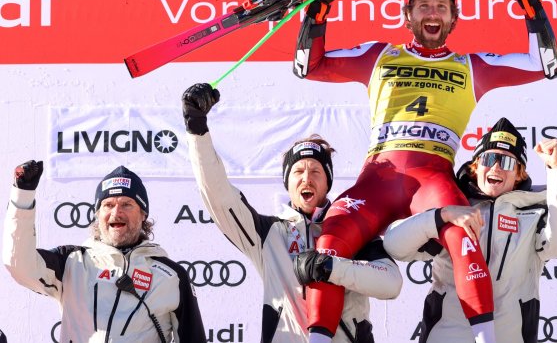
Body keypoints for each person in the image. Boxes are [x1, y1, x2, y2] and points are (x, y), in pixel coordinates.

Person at [293, 0, 557, 343]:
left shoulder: (472, 66)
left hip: (432, 181)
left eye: (441, 6)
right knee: (329, 243)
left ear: (454, 17)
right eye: (423, 6)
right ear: (407, 14)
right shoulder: (379, 56)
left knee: (463, 232)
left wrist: (528, 3)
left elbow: (545, 64)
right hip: (377, 181)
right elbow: (308, 65)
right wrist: (318, 9)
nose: (432, 13)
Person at [181, 83, 403, 343]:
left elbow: (391, 283)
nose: (306, 178)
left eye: (315, 171)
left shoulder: (355, 227)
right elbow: (219, 196)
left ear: (328, 182)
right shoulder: (268, 234)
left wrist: (331, 267)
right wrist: (197, 131)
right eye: (298, 171)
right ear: (287, 183)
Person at [383, 117, 557, 342]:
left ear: (519, 174)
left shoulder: (534, 212)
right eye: (489, 158)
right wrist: (442, 215)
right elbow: (395, 246)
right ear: (476, 166)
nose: (496, 167)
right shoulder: (451, 202)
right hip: (447, 335)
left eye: (507, 162)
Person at [3, 161, 205, 343]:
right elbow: (20, 264)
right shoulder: (73, 262)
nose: (116, 213)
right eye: (108, 205)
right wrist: (23, 196)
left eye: (127, 204)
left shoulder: (171, 276)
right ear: (98, 214)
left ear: (143, 214)